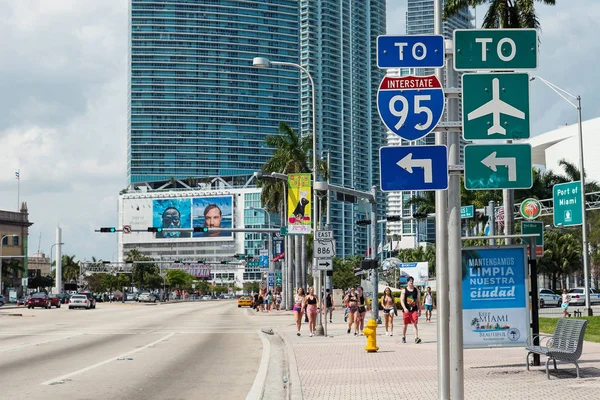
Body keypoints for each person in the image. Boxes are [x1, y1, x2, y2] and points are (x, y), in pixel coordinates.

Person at [401, 277, 421, 344]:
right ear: (407, 282)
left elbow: (418, 301)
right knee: (405, 324)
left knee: (414, 323)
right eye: (409, 281)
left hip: (414, 309)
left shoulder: (416, 290)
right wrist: (404, 308)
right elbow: (402, 300)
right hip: (406, 310)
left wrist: (419, 310)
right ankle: (403, 336)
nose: (411, 282)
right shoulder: (404, 290)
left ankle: (416, 338)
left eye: (412, 281)